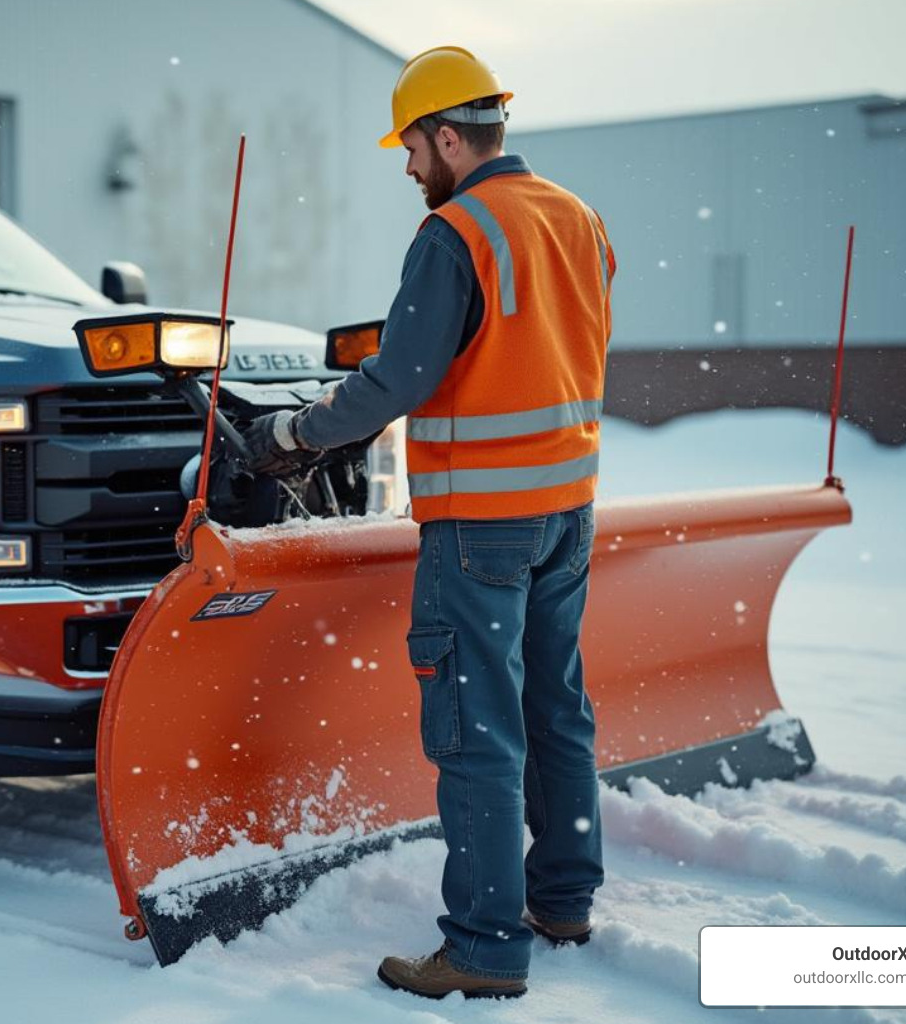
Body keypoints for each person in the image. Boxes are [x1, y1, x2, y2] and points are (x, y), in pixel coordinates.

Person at [244, 45, 615, 1000]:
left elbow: (399, 381)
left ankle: (486, 949)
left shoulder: (455, 233)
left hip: (481, 523)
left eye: (412, 147)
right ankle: (564, 899)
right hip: (566, 513)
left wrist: (295, 431)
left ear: (449, 136)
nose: (409, 167)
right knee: (554, 707)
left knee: (476, 731)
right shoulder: (578, 219)